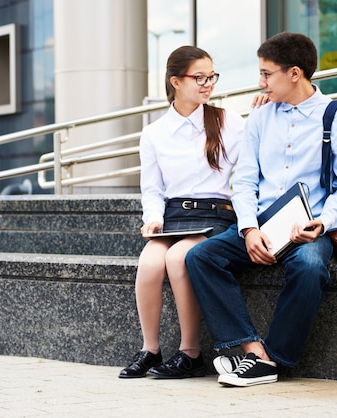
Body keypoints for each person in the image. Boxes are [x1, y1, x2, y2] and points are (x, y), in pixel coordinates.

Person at [184, 32, 337, 387]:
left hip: (309, 229)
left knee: (311, 266)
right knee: (200, 257)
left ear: (294, 73)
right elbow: (245, 181)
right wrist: (249, 229)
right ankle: (251, 351)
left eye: (267, 74)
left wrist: (321, 223)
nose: (261, 81)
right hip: (261, 224)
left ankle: (276, 358)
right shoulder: (261, 117)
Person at [119, 46, 267, 379]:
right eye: (199, 77)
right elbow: (153, 189)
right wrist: (153, 218)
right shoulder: (154, 133)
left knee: (178, 259)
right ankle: (151, 350)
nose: (208, 83)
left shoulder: (226, 119)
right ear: (175, 81)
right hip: (172, 216)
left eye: (211, 76)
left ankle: (190, 352)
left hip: (214, 214)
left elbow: (251, 165)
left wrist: (263, 111)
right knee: (150, 262)